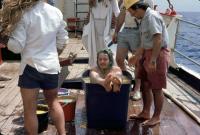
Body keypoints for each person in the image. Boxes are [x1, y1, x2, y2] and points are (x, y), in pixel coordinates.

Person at [0, 0, 68, 134]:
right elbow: (63, 40)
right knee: (54, 103)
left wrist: (4, 39)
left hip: (30, 67)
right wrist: (54, 54)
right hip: (51, 66)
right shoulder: (56, 12)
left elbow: (17, 46)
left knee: (29, 109)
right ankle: (62, 133)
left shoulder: (23, 13)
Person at [125, 0, 170, 126]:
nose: (132, 15)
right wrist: (136, 56)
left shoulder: (151, 17)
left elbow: (157, 39)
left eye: (131, 12)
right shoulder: (143, 19)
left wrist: (153, 60)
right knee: (145, 84)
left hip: (158, 53)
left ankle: (156, 117)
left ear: (138, 8)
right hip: (147, 53)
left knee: (156, 87)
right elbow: (145, 42)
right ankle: (145, 112)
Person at [112, 0, 154, 100]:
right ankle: (128, 81)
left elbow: (148, 16)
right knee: (119, 59)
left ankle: (137, 89)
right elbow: (122, 14)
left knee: (137, 62)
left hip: (137, 30)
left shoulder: (148, 1)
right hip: (124, 30)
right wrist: (116, 31)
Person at [82, 0, 120, 67]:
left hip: (107, 29)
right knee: (94, 49)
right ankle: (98, 68)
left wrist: (116, 28)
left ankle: (110, 70)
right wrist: (86, 24)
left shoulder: (112, 1)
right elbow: (90, 12)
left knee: (108, 51)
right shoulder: (92, 1)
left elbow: (117, 13)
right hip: (94, 29)